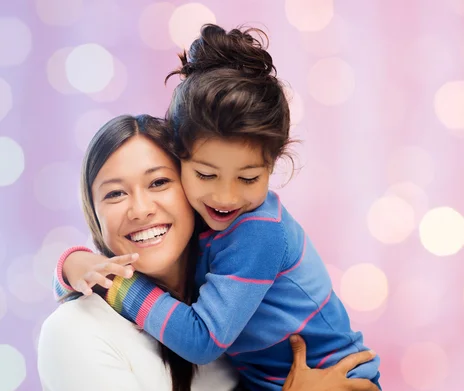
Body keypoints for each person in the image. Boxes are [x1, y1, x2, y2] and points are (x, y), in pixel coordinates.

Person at [55, 24, 381, 390]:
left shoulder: (258, 231)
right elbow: (101, 265)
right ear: (181, 159)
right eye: (206, 175)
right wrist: (74, 265)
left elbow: (201, 341)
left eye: (248, 179)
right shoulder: (201, 220)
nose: (225, 198)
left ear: (273, 167)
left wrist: (113, 285)